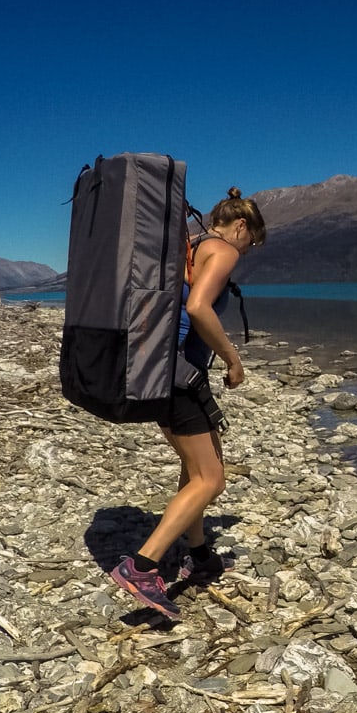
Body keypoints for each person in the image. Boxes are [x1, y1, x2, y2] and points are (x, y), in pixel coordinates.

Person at [110, 187, 266, 618]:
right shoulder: (223, 251)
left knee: (195, 467)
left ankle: (199, 557)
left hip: (156, 369)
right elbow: (199, 308)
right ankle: (142, 567)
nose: (246, 252)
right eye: (250, 243)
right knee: (211, 480)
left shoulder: (190, 247)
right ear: (240, 227)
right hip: (177, 375)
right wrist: (234, 361)